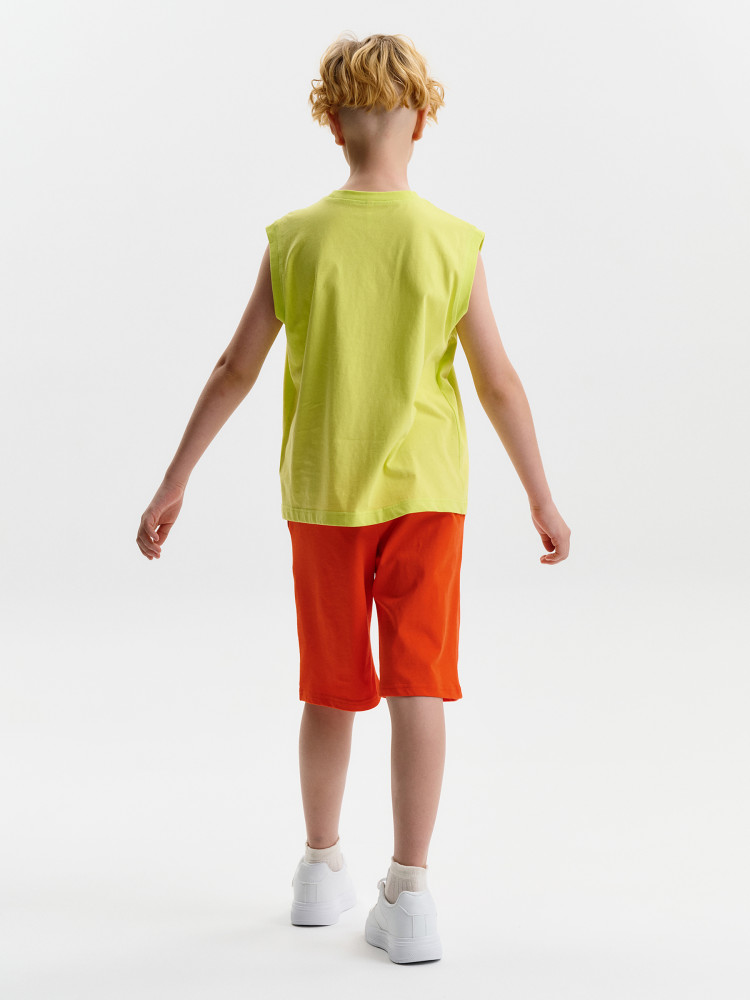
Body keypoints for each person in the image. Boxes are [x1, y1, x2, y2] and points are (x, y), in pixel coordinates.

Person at [136, 31, 570, 964]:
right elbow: (498, 382)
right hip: (428, 498)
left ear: (332, 125)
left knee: (330, 687)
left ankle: (317, 867)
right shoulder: (452, 241)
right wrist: (541, 496)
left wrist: (176, 479)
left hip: (323, 498)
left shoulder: (295, 239)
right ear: (423, 122)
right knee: (420, 685)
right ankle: (410, 890)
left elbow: (234, 367)